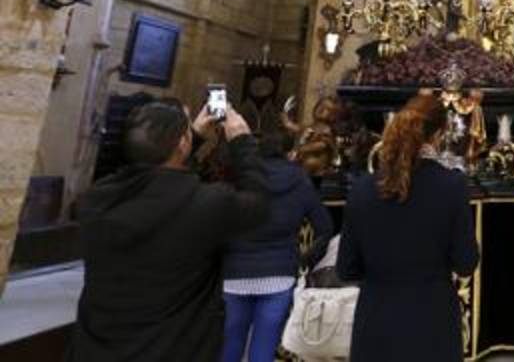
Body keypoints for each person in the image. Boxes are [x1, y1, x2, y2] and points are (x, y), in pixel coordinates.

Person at [70, 101, 269, 362]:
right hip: (173, 347)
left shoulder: (95, 201)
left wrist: (190, 138)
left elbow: (155, 179)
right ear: (181, 145)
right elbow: (258, 204)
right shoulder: (207, 204)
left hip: (98, 348)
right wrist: (242, 140)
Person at [338, 93, 479, 362]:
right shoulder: (452, 186)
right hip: (432, 324)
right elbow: (465, 262)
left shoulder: (363, 189)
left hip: (375, 323)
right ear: (439, 134)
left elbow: (346, 268)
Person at [220, 128, 333, 362]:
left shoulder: (240, 176)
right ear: (291, 153)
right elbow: (325, 228)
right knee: (263, 351)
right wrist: (305, 260)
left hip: (234, 273)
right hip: (279, 273)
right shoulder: (300, 179)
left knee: (229, 348)